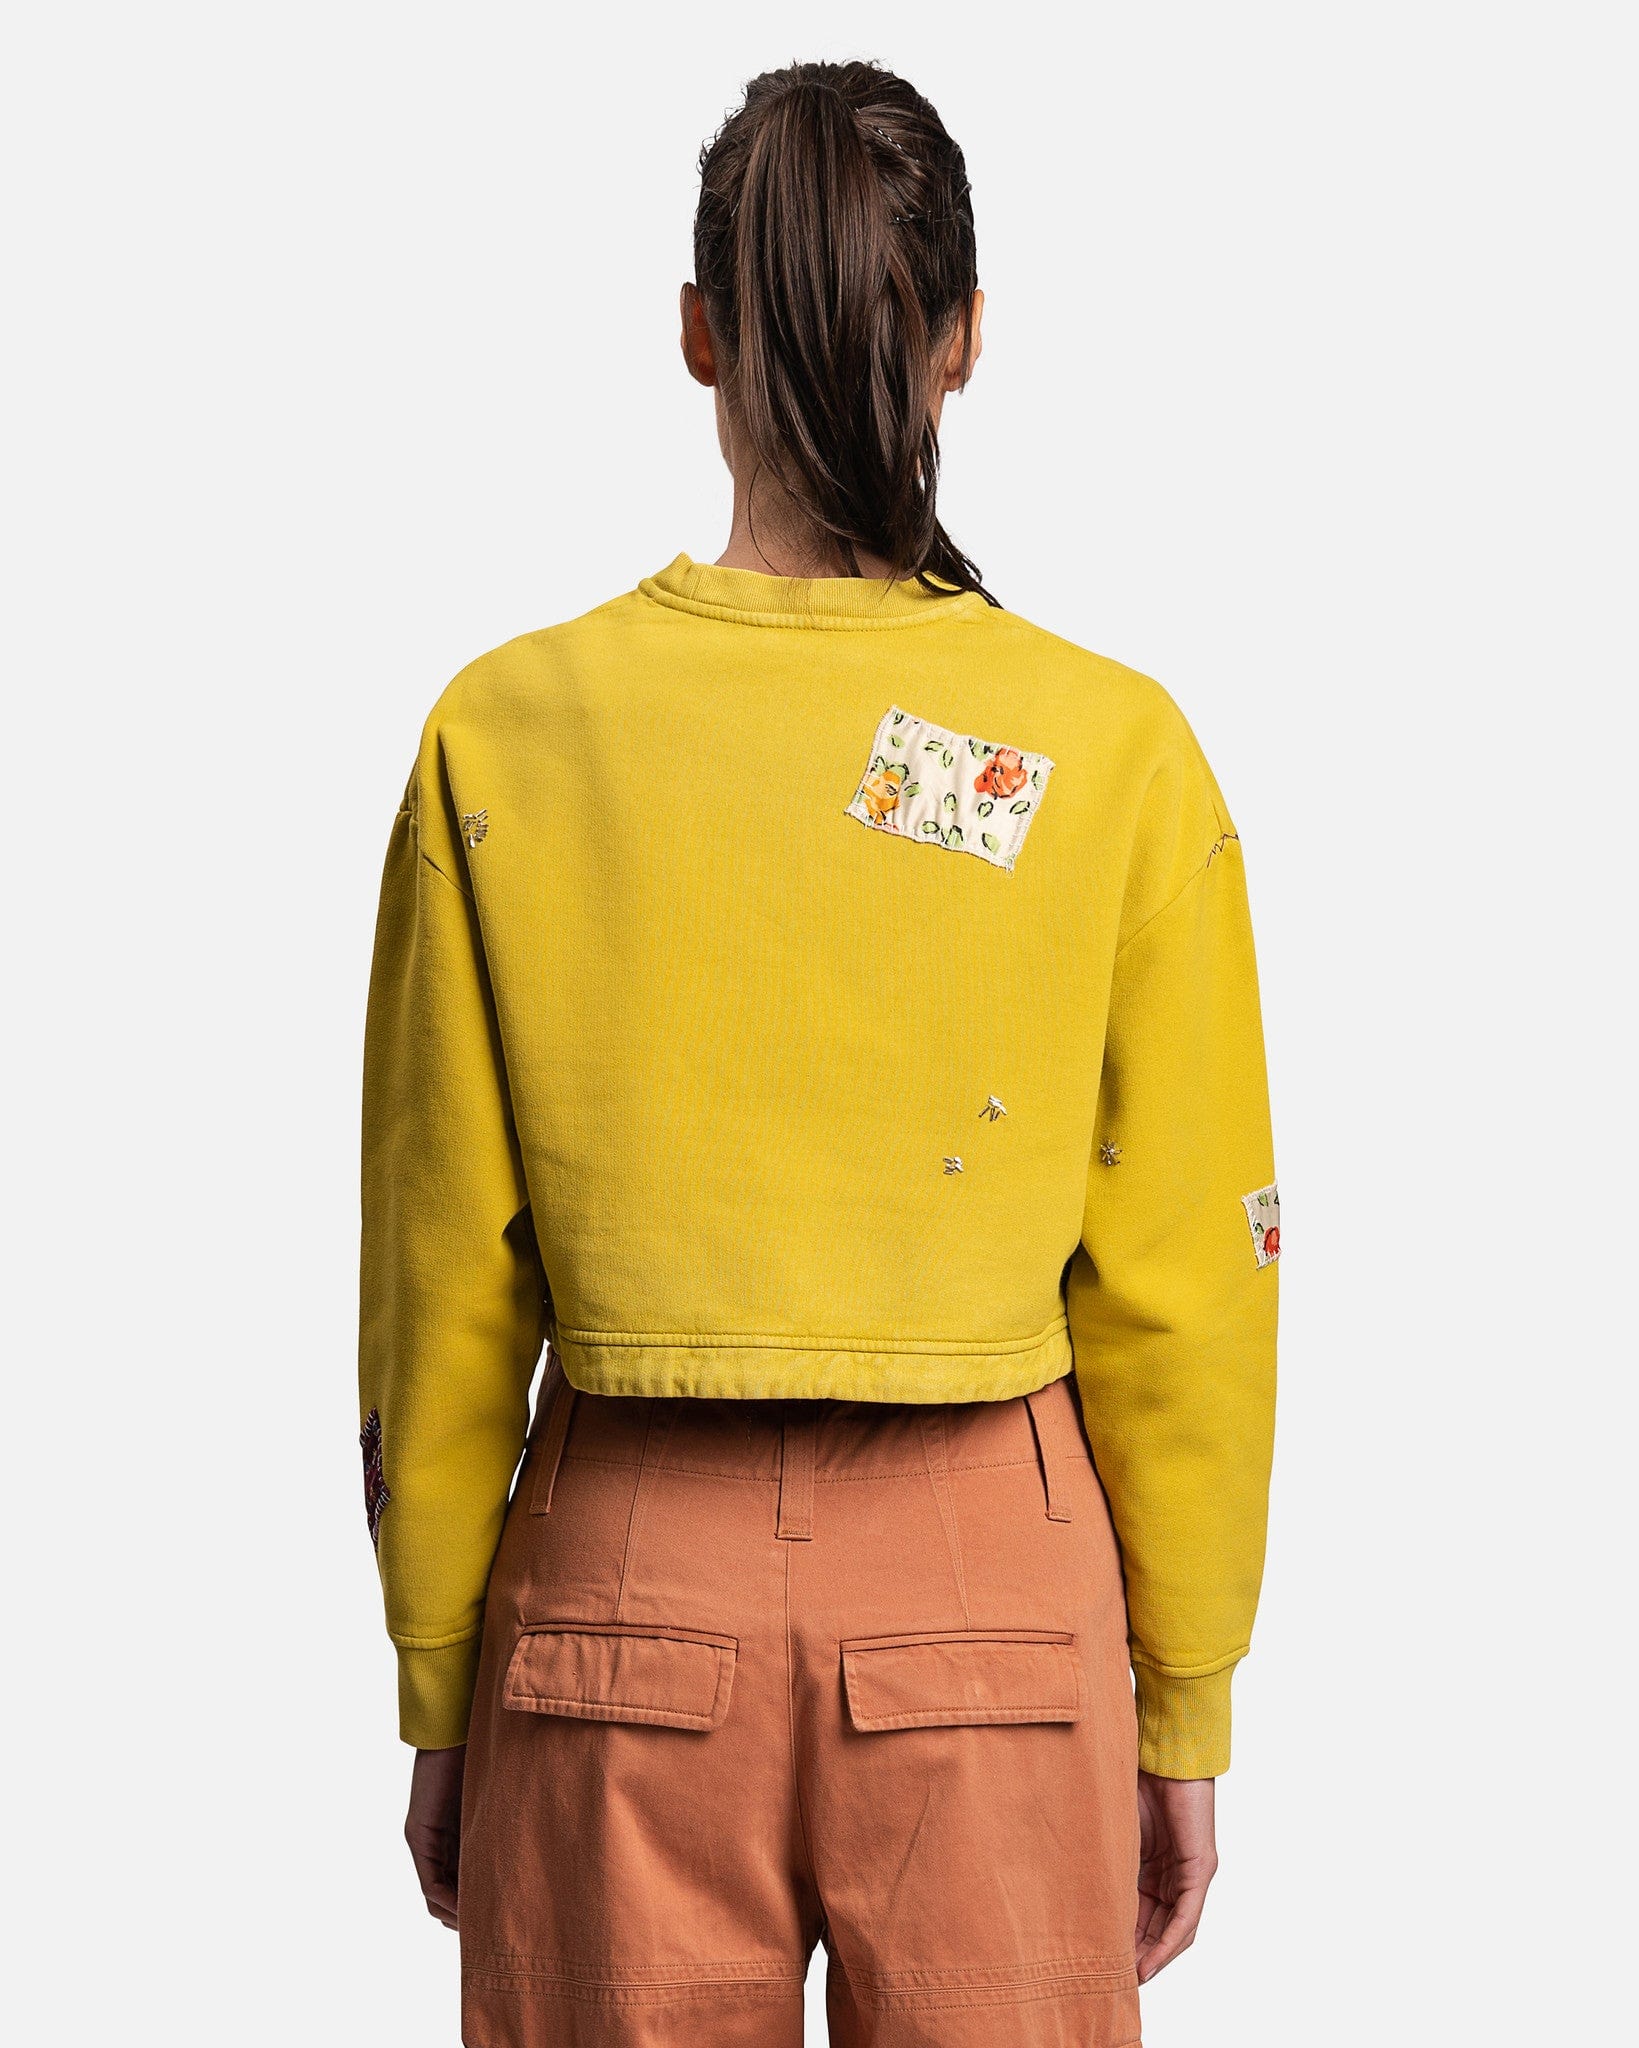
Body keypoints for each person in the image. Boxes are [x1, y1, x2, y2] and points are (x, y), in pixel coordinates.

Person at [359, 57, 1277, 2048]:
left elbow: (439, 1270)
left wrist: (440, 1678)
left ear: (699, 332)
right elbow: (1187, 1279)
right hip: (993, 1597)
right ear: (965, 337)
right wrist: (1186, 1701)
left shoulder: (505, 733)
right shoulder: (1111, 753)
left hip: (618, 1599)